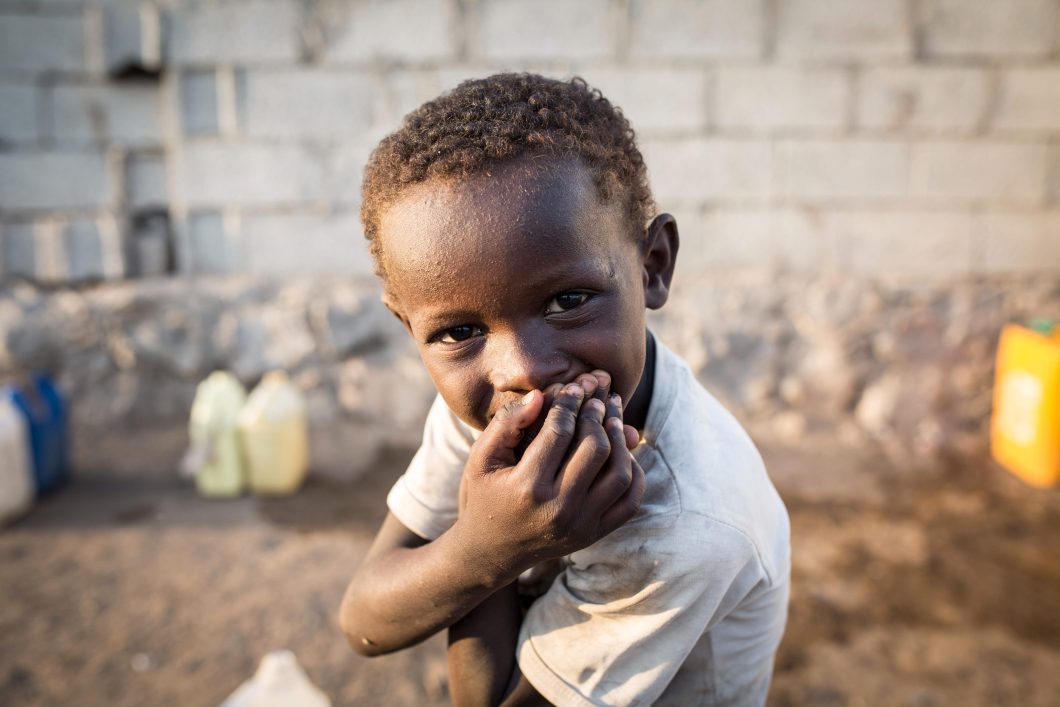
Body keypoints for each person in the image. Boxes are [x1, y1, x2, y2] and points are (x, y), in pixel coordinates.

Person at [339, 73, 790, 707]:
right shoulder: (488, 413)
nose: (521, 369)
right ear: (411, 327)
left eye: (568, 300)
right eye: (460, 330)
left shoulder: (686, 525)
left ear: (653, 265)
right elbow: (363, 620)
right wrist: (484, 548)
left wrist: (487, 550)